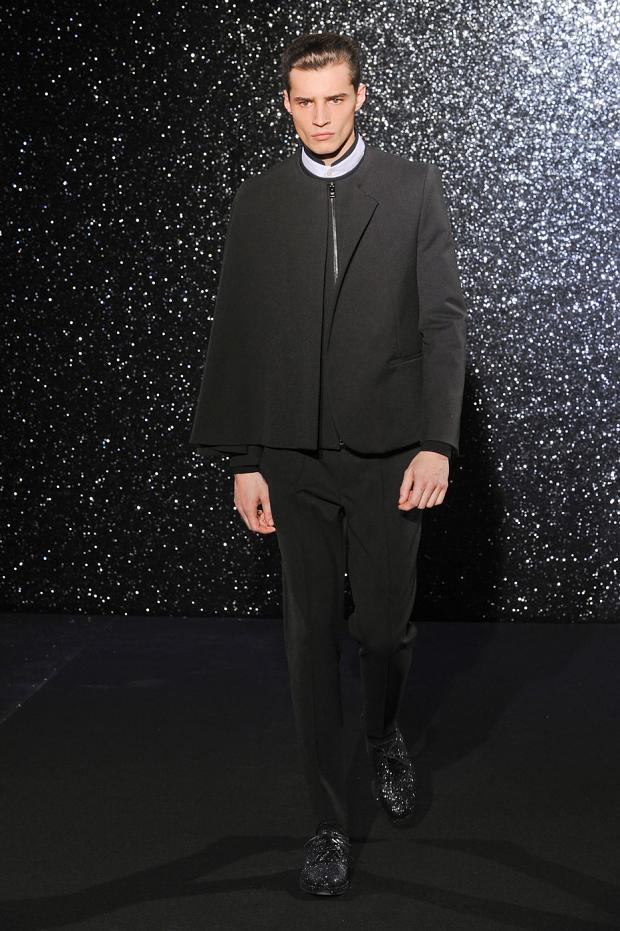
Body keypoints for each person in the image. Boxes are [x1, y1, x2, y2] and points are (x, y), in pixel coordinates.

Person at [189, 32, 467, 896]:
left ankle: (382, 732)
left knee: (382, 629)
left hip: (390, 449)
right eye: (304, 102)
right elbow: (239, 329)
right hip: (291, 452)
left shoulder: (412, 187)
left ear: (360, 97)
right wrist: (244, 458)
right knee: (309, 639)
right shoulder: (259, 200)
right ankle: (326, 822)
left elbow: (442, 321)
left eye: (334, 99)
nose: (319, 116)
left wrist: (437, 440)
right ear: (286, 104)